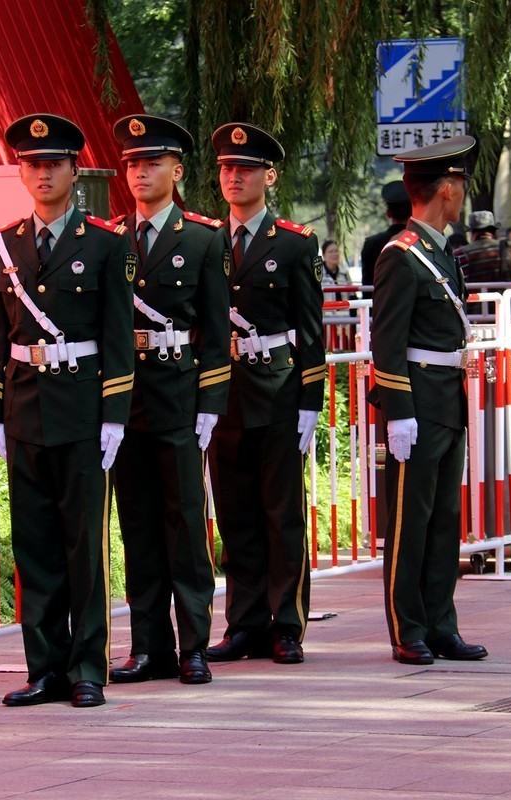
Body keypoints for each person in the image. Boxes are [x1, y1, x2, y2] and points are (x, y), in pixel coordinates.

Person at [0, 114, 135, 709]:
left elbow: (119, 335)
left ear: (76, 170)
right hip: (25, 408)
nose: (42, 173)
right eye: (31, 164)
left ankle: (87, 669)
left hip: (82, 407)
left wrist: (115, 413)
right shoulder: (3, 244)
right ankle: (43, 666)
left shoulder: (104, 242)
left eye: (52, 164)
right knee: (35, 545)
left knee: (84, 546)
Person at [107, 115, 229, 687]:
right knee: (137, 526)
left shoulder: (203, 238)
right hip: (125, 400)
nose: (140, 172)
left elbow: (215, 329)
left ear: (176, 171)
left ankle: (193, 646)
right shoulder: (108, 239)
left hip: (179, 395)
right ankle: (148, 645)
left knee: (184, 524)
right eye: (132, 163)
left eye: (151, 162)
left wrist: (211, 402)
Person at [206, 122, 326, 665]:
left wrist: (310, 400)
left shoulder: (296, 245)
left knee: (282, 514)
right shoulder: (205, 241)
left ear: (268, 177)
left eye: (246, 169)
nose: (235, 177)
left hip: (277, 390)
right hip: (224, 395)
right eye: (228, 169)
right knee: (234, 515)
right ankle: (243, 622)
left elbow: (312, 329)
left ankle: (286, 625)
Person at [369, 134, 487, 666]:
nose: (462, 193)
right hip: (416, 404)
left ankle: (442, 624)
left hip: (446, 401)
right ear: (447, 188)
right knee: (408, 524)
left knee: (444, 521)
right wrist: (398, 413)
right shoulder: (402, 255)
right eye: (459, 183)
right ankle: (408, 628)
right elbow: (386, 342)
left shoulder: (440, 251)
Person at [360, 181, 412, 298]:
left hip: (378, 307)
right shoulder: (420, 242)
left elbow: (367, 285)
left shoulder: (371, 244)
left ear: (388, 213)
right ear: (412, 213)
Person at [454, 210, 511, 283]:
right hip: (508, 296)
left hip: (476, 296)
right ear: (494, 231)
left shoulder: (460, 254)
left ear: (472, 233)